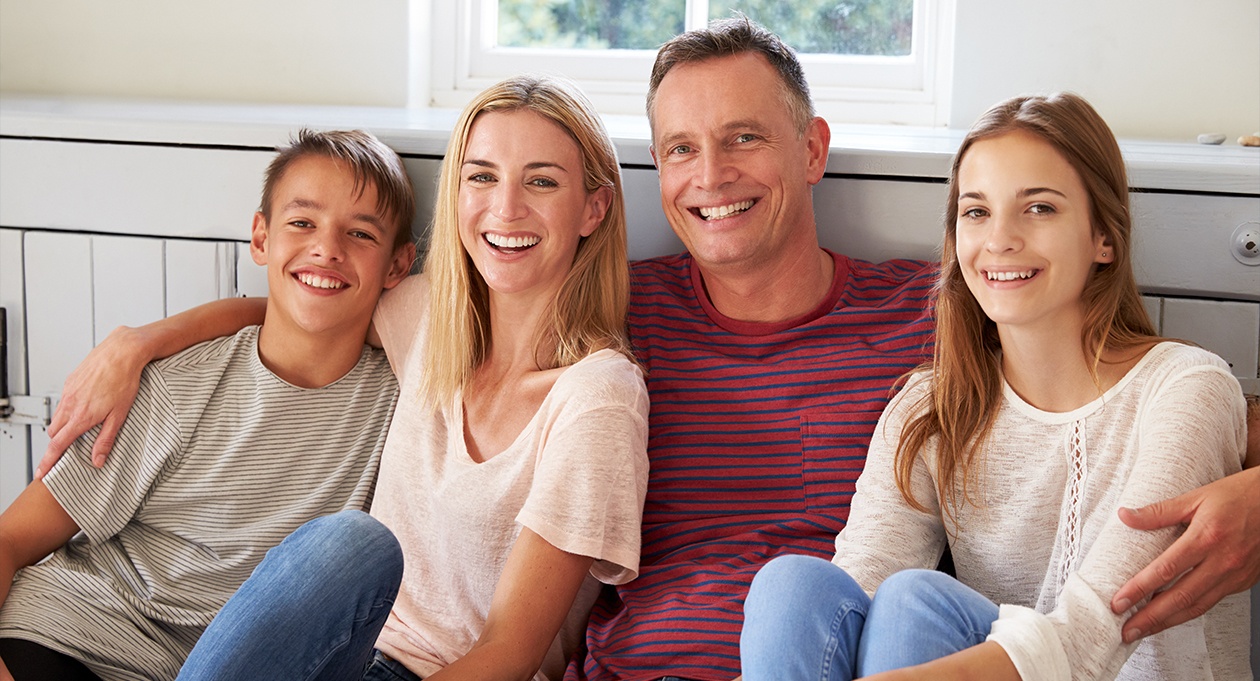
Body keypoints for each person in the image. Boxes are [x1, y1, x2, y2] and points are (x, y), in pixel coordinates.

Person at [34, 17, 1260, 681]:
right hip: (628, 670)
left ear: (815, 147)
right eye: (678, 150)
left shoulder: (935, 312)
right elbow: (338, 289)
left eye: (743, 142)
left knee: (798, 588)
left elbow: (1137, 390)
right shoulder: (611, 315)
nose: (709, 178)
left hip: (817, 653)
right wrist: (149, 335)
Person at [739, 92, 1252, 680]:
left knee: (916, 605)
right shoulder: (930, 408)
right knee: (793, 585)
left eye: (1039, 208)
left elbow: (1090, 637)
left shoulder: (1186, 389)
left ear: (1103, 237)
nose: (1000, 239)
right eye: (976, 212)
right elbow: (848, 604)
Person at [149, 75, 647, 681]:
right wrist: (138, 345)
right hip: (342, 654)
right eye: (482, 176)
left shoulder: (597, 398)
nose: (506, 207)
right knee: (345, 549)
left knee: (352, 543)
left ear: (594, 207)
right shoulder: (427, 318)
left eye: (540, 181)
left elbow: (509, 656)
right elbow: (298, 312)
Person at [0, 128, 416, 681]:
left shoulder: (403, 398)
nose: (327, 248)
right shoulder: (177, 386)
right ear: (261, 238)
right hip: (67, 633)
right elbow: (10, 539)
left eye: (360, 233)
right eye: (302, 222)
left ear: (398, 265)